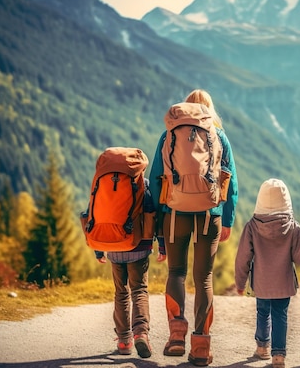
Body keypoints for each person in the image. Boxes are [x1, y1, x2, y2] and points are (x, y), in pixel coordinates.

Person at [149, 89, 239, 367]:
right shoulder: (218, 135)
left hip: (175, 212)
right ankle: (201, 346)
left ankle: (176, 338)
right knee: (204, 277)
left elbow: (155, 179)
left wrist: (159, 225)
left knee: (176, 271)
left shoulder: (169, 135)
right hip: (208, 213)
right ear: (210, 110)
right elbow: (231, 180)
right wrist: (227, 219)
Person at [235, 178, 300, 368]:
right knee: (280, 314)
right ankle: (278, 356)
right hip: (283, 283)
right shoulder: (293, 227)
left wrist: (240, 283)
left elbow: (242, 258)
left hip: (261, 283)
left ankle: (262, 347)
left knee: (262, 311)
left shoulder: (252, 227)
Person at [93, 178, 163, 359]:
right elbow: (152, 214)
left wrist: (99, 249)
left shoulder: (105, 185)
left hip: (114, 246)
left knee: (121, 292)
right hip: (139, 247)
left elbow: (96, 213)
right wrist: (161, 244)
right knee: (139, 290)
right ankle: (141, 333)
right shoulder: (143, 184)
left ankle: (124, 341)